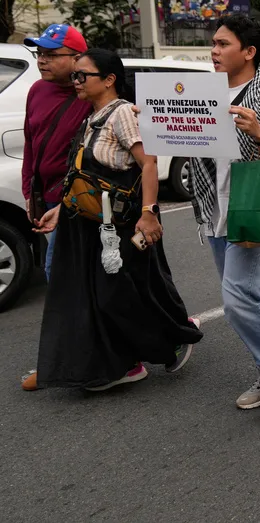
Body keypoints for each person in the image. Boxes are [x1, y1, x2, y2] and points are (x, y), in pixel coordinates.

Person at [30, 49, 202, 391]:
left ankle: (170, 342)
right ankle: (124, 363)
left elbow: (149, 164)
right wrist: (62, 210)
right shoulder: (91, 116)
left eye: (83, 75)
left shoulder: (122, 113)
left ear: (108, 80)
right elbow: (85, 177)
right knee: (105, 295)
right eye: (75, 75)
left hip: (118, 226)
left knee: (118, 296)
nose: (75, 81)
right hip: (89, 222)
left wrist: (149, 214)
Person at [192, 15, 260, 420]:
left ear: (249, 51)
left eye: (223, 44)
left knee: (237, 297)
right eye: (214, 44)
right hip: (214, 207)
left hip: (252, 208)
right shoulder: (203, 94)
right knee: (249, 296)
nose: (214, 51)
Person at [21, 24, 93, 284]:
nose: (42, 60)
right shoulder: (37, 90)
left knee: (59, 274)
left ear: (77, 59)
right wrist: (29, 192)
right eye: (39, 53)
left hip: (81, 200)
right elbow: (31, 143)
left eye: (51, 55)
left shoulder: (92, 94)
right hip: (45, 197)